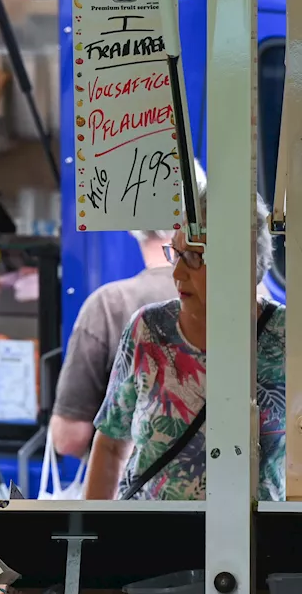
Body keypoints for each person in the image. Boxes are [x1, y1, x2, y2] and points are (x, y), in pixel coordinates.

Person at [84, 186, 283, 501]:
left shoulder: (287, 337)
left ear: (241, 260)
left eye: (193, 257)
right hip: (148, 540)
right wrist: (89, 536)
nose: (176, 272)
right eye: (176, 253)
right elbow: (110, 445)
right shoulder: (147, 330)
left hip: (255, 543)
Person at [51, 229, 178, 459]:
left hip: (128, 488)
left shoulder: (109, 305)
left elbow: (68, 438)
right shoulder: (251, 296)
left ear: (132, 227)